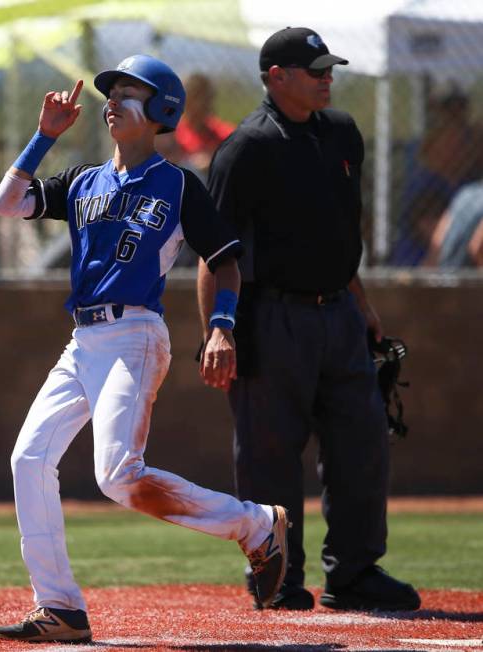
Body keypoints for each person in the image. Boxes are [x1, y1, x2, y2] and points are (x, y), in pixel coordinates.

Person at [0, 54, 289, 644]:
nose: (114, 101)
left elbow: (225, 262)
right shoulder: (81, 182)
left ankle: (255, 525)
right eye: (113, 92)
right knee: (27, 460)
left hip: (134, 336)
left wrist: (222, 327)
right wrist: (44, 137)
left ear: (161, 112)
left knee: (117, 476)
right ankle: (61, 608)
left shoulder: (176, 183)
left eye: (129, 93)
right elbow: (7, 204)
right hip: (83, 341)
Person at [199, 27, 421, 613]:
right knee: (270, 453)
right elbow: (213, 254)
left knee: (362, 443)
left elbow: (340, 238)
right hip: (272, 317)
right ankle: (277, 576)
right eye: (314, 68)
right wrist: (217, 332)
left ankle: (353, 573)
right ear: (276, 77)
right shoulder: (246, 147)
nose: (327, 77)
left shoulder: (342, 133)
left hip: (339, 314)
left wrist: (365, 305)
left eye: (329, 68)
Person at [390, 87, 483, 266]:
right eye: (449, 141)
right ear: (434, 146)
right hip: (419, 271)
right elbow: (442, 242)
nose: (459, 146)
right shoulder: (426, 186)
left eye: (462, 139)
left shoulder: (468, 183)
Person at [174, 72, 236, 178]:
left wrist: (214, 162)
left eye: (207, 97)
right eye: (196, 97)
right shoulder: (171, 133)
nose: (205, 103)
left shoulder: (225, 133)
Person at [426, 180, 483, 268]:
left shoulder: (466, 193)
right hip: (469, 275)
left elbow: (438, 241)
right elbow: (477, 247)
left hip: (445, 273)